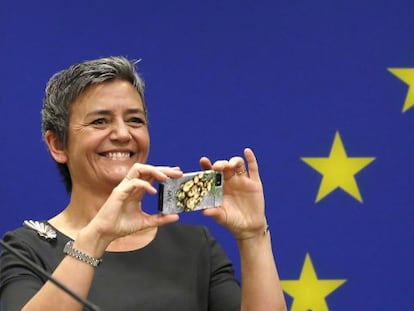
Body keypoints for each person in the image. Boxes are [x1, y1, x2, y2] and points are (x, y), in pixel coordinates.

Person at [0, 56, 287, 311]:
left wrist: (253, 236)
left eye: (135, 120)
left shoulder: (195, 246)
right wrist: (96, 237)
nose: (123, 134)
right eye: (100, 122)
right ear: (57, 144)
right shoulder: (26, 249)